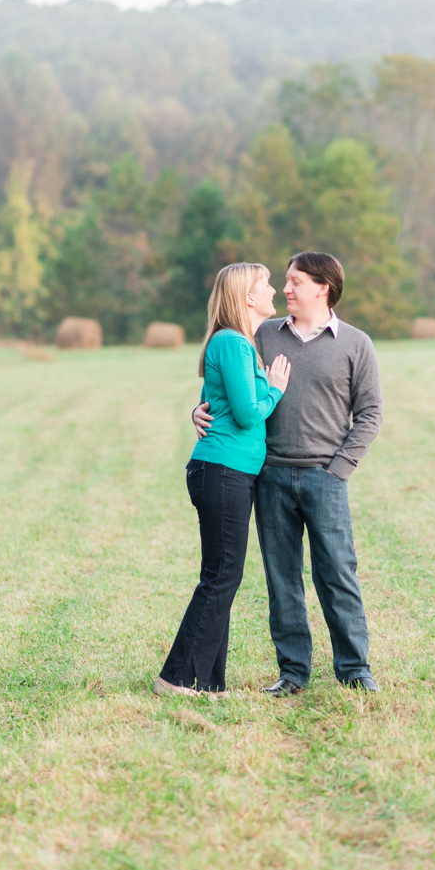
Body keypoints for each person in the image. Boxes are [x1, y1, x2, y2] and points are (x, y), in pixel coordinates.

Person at [194, 251, 382, 696]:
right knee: (282, 580)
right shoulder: (261, 335)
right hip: (270, 477)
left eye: (296, 281)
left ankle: (355, 669)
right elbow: (224, 386)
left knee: (337, 574)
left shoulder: (357, 343)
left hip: (325, 477)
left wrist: (339, 470)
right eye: (283, 281)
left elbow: (370, 414)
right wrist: (198, 410)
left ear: (323, 287)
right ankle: (293, 672)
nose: (286, 289)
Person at [155, 263, 291, 697]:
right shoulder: (233, 342)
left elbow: (210, 404)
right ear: (248, 298)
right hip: (223, 471)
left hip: (228, 471)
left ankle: (210, 683)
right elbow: (250, 412)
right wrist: (275, 389)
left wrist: (197, 412)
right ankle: (173, 678)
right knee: (222, 577)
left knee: (221, 574)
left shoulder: (236, 343)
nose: (274, 291)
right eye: (266, 285)